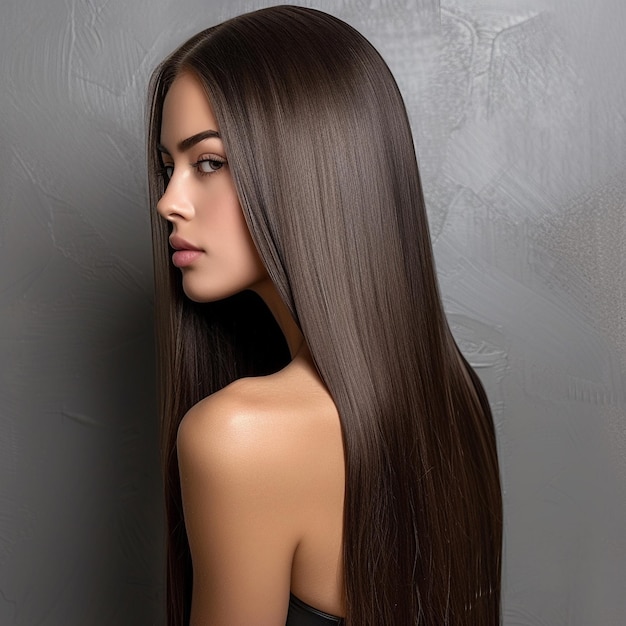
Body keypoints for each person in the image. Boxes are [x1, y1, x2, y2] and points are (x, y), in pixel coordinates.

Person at [146, 5, 502, 626]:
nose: (168, 202)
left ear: (308, 171)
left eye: (208, 163)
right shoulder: (457, 394)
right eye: (168, 166)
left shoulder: (237, 436)